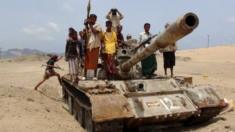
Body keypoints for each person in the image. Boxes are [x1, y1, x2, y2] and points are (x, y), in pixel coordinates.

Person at [84, 14, 102, 79]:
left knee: (94, 61)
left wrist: (90, 24)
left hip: (95, 46)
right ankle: (85, 76)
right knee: (87, 62)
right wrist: (86, 25)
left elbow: (94, 32)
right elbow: (86, 35)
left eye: (93, 19)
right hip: (88, 46)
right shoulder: (89, 28)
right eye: (90, 18)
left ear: (95, 19)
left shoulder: (98, 26)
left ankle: (94, 76)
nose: (92, 20)